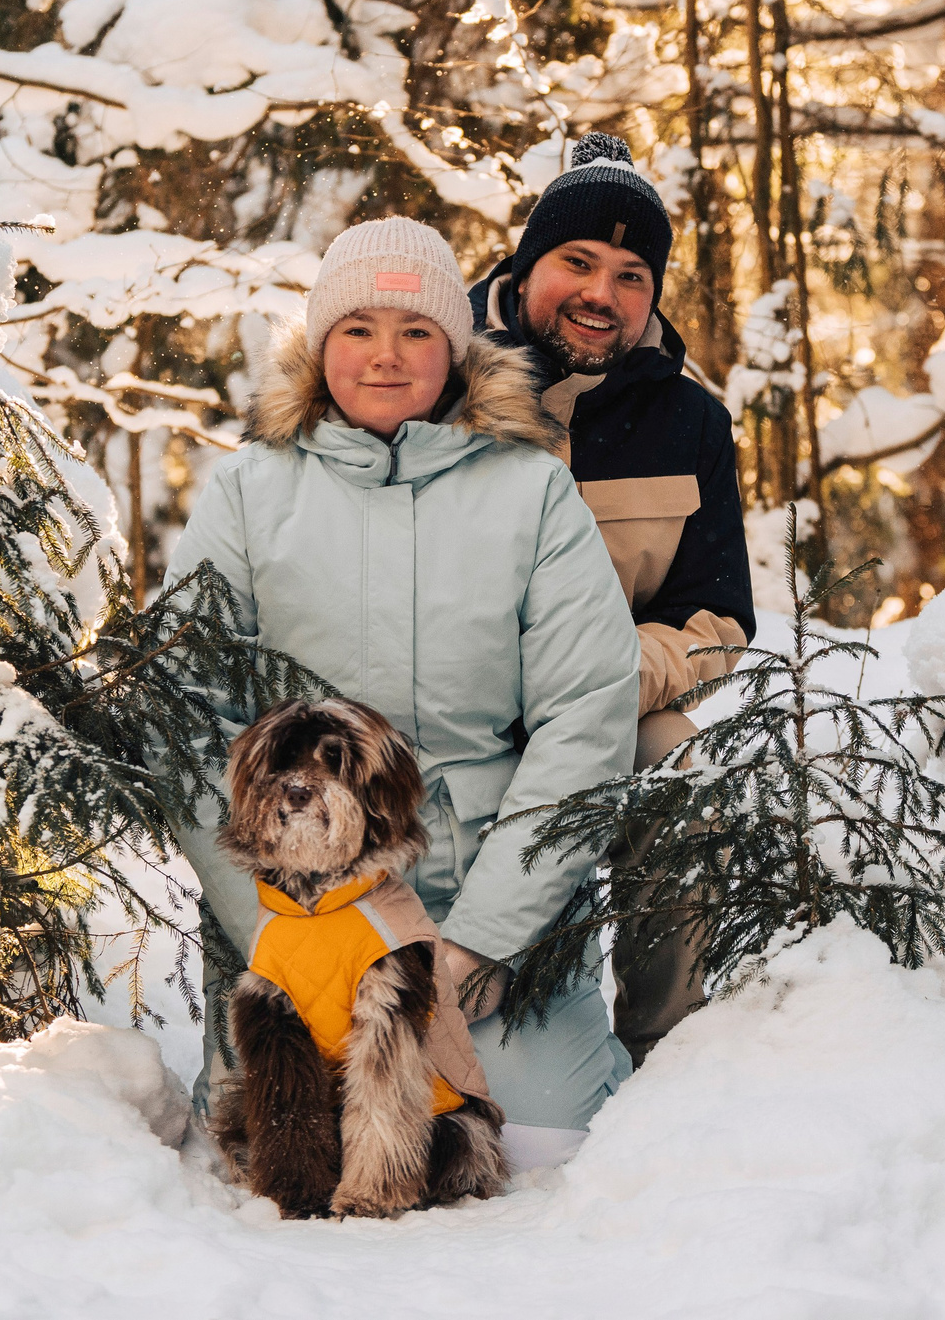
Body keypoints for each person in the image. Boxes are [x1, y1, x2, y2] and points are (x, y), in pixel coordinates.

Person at [166, 216, 641, 1167]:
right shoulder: (249, 491)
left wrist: (482, 940)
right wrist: (278, 933)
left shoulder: (532, 490)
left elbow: (585, 717)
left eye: (415, 330)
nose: (386, 355)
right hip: (296, 904)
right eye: (359, 328)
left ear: (454, 348)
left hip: (483, 897)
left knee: (546, 1145)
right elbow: (182, 718)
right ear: (320, 345)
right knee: (284, 1152)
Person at [468, 131, 754, 1064]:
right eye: (579, 262)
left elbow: (718, 615)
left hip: (612, 700)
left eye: (633, 275)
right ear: (525, 266)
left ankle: (664, 1049)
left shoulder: (690, 422)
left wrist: (609, 679)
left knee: (681, 774)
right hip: (447, 701)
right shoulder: (439, 378)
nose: (603, 293)